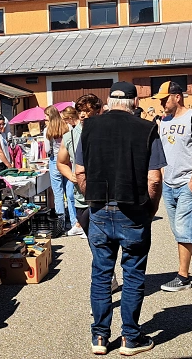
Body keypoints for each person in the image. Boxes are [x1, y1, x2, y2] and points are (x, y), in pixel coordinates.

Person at [74, 81, 165, 356]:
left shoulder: (89, 127)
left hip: (100, 207)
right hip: (134, 208)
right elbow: (155, 179)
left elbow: (79, 172)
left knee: (101, 274)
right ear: (134, 102)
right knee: (134, 274)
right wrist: (151, 208)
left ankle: (99, 338)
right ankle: (130, 338)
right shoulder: (147, 129)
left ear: (108, 102)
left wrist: (93, 196)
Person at [152, 80, 192, 292]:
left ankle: (183, 276)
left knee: (185, 228)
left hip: (189, 182)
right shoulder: (164, 121)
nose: (162, 104)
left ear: (177, 97)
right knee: (181, 230)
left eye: (164, 99)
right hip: (170, 183)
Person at [57, 95, 102, 239]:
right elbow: (61, 162)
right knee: (92, 241)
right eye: (80, 111)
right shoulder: (69, 136)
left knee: (103, 243)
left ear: (97, 111)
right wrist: (71, 176)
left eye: (87, 111)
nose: (83, 114)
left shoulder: (105, 132)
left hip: (103, 197)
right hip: (81, 198)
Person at [44, 105, 75, 233]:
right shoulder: (67, 127)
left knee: (58, 193)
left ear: (49, 116)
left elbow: (46, 150)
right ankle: (74, 222)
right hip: (67, 159)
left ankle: (61, 224)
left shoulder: (47, 130)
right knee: (70, 192)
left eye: (46, 115)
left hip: (54, 161)